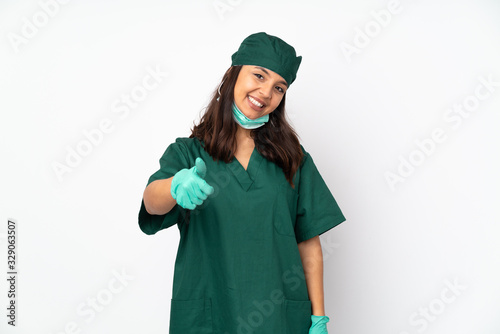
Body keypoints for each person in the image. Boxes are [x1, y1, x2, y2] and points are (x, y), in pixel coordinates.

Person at [138, 32, 346, 334]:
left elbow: (308, 242)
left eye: (278, 87)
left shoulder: (293, 160)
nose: (265, 92)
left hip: (278, 319)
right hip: (210, 316)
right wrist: (173, 186)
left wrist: (318, 316)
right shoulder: (189, 152)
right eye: (258, 76)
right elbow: (151, 204)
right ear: (232, 75)